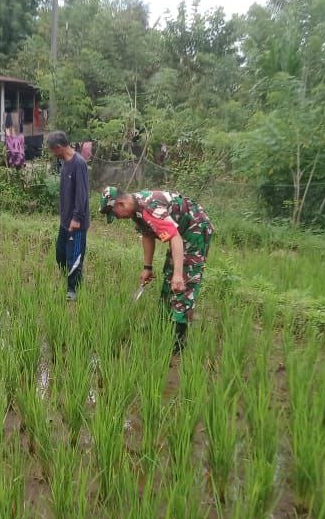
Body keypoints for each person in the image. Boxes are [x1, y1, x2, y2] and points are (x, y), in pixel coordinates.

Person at [99, 186, 214, 353]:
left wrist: (178, 274)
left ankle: (178, 340)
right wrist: (147, 267)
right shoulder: (136, 210)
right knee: (169, 274)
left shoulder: (149, 208)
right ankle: (162, 324)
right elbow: (147, 235)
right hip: (180, 232)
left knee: (184, 280)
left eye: (115, 214)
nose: (118, 218)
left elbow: (175, 237)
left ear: (120, 204)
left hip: (195, 228)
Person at [48, 131, 90, 301]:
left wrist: (77, 218)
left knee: (74, 257)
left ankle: (73, 289)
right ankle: (71, 280)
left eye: (52, 150)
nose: (52, 154)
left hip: (76, 223)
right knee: (60, 255)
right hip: (65, 221)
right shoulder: (64, 163)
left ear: (59, 147)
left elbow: (82, 194)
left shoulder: (78, 163)